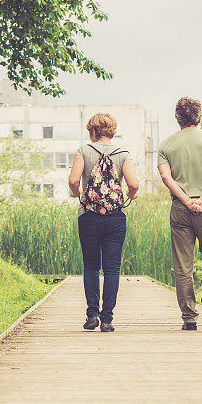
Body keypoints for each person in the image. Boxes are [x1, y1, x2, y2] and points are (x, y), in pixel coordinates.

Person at [157, 97, 202, 331]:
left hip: (180, 208)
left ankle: (189, 318)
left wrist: (187, 200)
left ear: (177, 118)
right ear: (199, 117)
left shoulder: (167, 145)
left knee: (183, 265)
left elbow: (166, 177)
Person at [68, 113, 139, 333]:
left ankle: (92, 314)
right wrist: (131, 195)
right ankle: (107, 319)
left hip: (88, 215)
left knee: (90, 265)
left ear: (93, 131)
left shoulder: (84, 151)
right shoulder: (123, 154)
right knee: (112, 268)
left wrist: (76, 193)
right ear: (112, 131)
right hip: (115, 217)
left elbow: (73, 180)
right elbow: (134, 184)